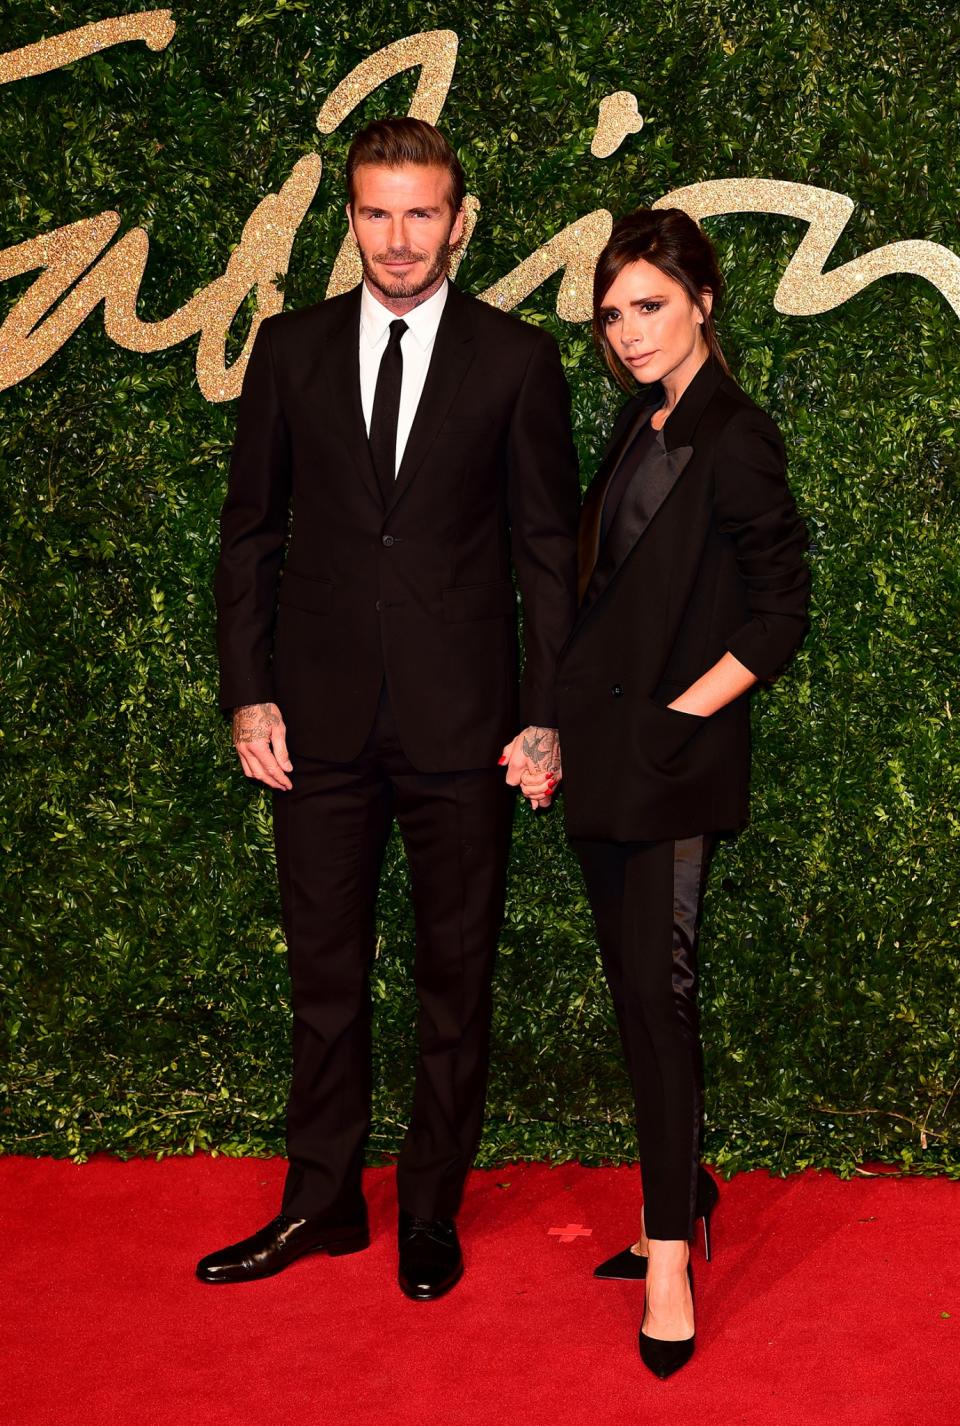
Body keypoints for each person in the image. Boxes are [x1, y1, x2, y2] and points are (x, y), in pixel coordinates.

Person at [200, 117, 579, 1299]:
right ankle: (320, 1203)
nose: (399, 237)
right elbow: (251, 533)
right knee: (324, 972)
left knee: (453, 977)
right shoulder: (289, 349)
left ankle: (428, 1208)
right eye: (376, 211)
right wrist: (248, 690)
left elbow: (546, 555)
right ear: (350, 216)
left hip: (465, 728)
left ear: (458, 222)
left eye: (422, 213)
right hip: (313, 725)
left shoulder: (515, 361)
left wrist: (545, 710)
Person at [525, 208, 810, 1376]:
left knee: (659, 1003)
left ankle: (670, 1261)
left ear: (703, 300)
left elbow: (780, 612)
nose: (628, 331)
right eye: (612, 313)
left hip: (667, 770)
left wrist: (676, 718)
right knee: (642, 997)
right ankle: (681, 1192)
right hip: (607, 766)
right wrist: (560, 734)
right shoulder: (645, 424)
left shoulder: (734, 434)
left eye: (649, 305)